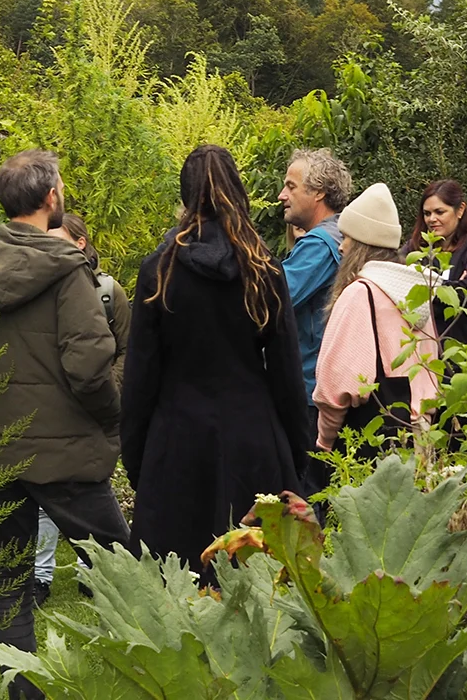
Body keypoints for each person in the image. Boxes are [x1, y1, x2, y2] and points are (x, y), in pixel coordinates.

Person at [0, 150, 129, 700]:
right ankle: (134, 680)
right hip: (65, 454)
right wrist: (113, 418)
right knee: (122, 574)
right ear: (51, 198)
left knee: (9, 580)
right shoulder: (69, 271)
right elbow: (88, 367)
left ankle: (23, 692)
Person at [122, 145, 309, 579]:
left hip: (178, 437)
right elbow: (285, 372)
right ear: (238, 190)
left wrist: (138, 458)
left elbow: (140, 377)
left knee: (178, 580)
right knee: (258, 577)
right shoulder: (263, 269)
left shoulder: (160, 271)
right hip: (253, 435)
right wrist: (296, 456)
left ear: (186, 198)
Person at [30, 212, 130, 608]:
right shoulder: (35, 287)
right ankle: (40, 575)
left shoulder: (108, 291)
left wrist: (111, 390)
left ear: (81, 243)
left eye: (60, 239)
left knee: (94, 488)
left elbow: (126, 348)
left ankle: (96, 568)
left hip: (95, 404)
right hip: (49, 407)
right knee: (43, 495)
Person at [312, 183, 439, 457]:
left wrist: (324, 441)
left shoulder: (360, 293)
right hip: (422, 433)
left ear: (360, 245)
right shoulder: (416, 292)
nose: (341, 246)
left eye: (346, 237)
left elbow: (337, 384)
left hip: (373, 438)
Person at [277, 148, 351, 449]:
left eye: (291, 186)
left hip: (310, 390)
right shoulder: (342, 234)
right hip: (325, 387)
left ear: (318, 192)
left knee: (302, 487)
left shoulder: (320, 244)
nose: (282, 195)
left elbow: (270, 299)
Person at [401, 180, 467, 347]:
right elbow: (392, 282)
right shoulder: (415, 248)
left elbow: (466, 296)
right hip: (423, 352)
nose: (432, 219)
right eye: (427, 213)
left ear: (460, 210)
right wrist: (451, 287)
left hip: (466, 356)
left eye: (440, 212)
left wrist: (419, 287)